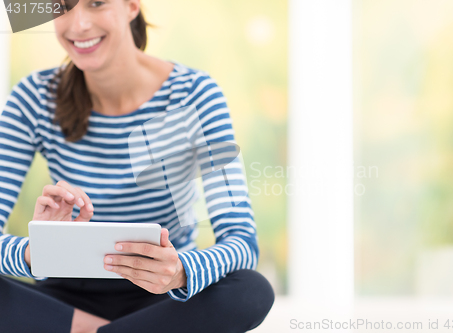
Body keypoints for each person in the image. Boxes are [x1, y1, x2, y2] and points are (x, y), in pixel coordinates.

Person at [0, 0, 274, 332]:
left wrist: (180, 271)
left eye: (97, 3)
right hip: (67, 296)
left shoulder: (195, 94)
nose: (79, 24)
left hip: (163, 297)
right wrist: (39, 249)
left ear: (132, 6)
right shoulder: (33, 97)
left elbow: (242, 240)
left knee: (251, 291)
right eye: (62, 6)